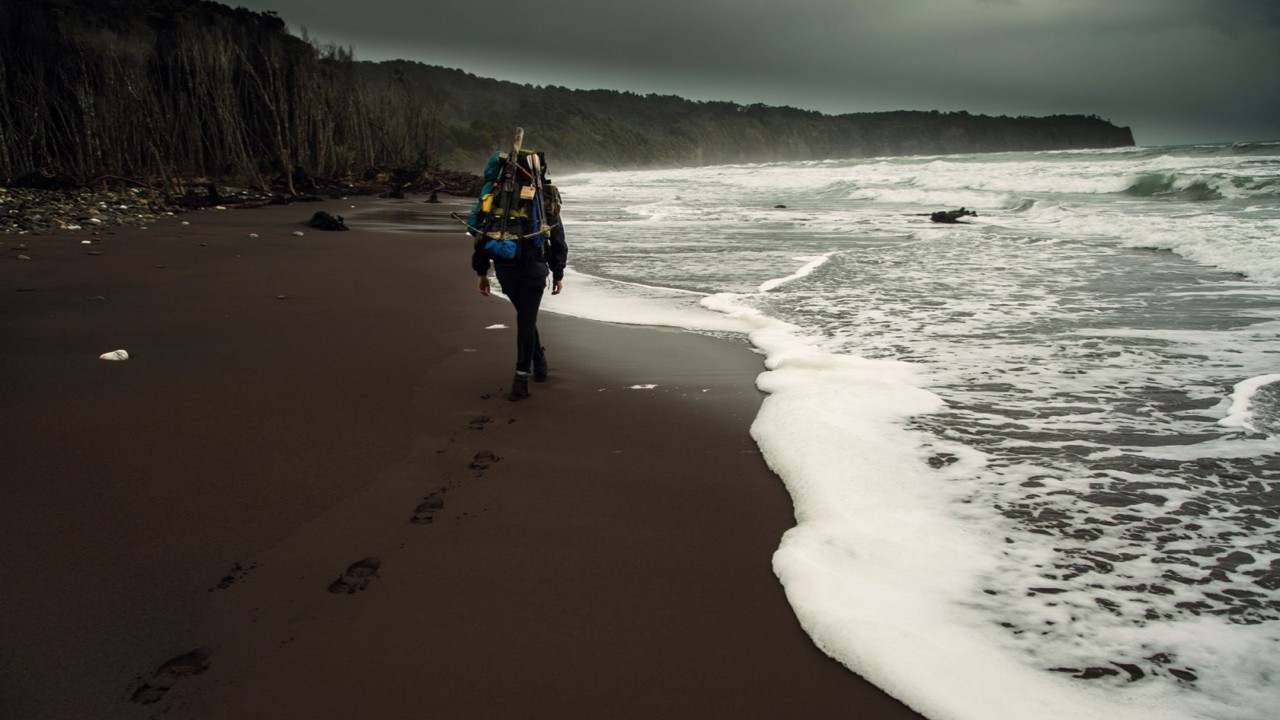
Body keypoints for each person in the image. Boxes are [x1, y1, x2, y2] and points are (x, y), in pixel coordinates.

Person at [470, 151, 568, 401]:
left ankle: (540, 361)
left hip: (506, 268)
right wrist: (558, 273)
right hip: (535, 270)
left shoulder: (495, 195)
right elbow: (558, 240)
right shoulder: (545, 197)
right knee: (526, 320)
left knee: (526, 317)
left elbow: (480, 236)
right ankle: (521, 378)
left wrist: (482, 272)